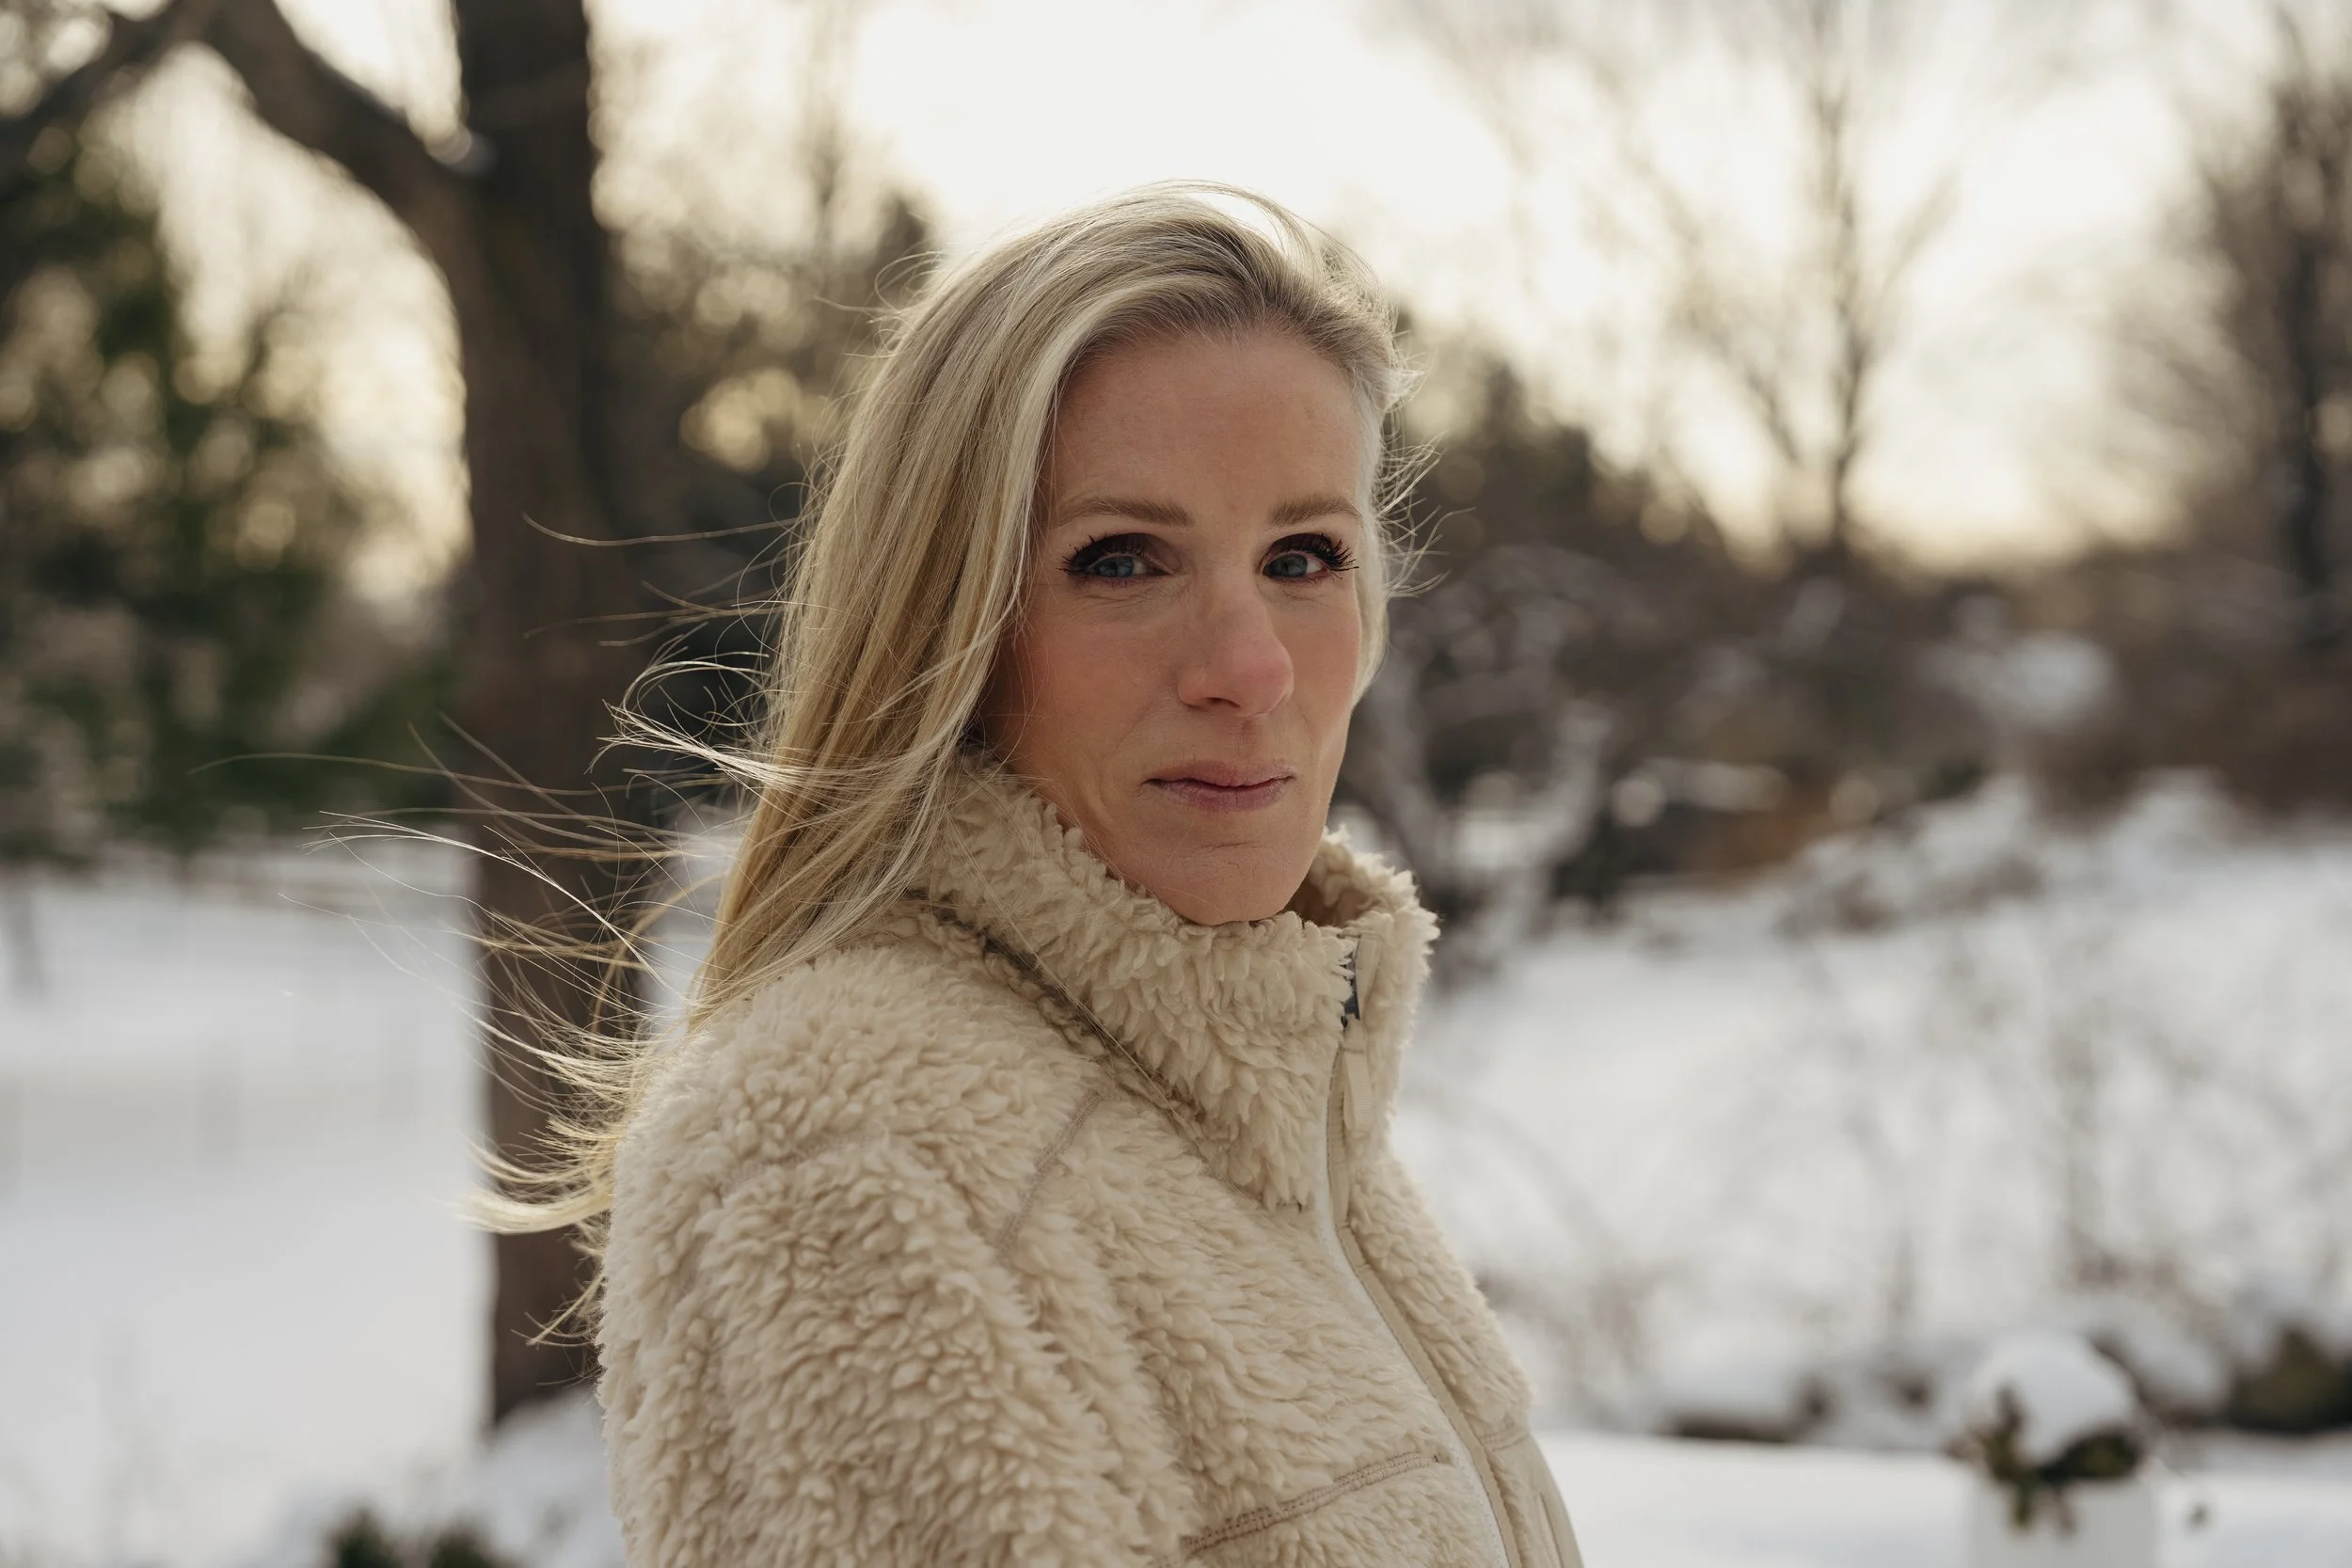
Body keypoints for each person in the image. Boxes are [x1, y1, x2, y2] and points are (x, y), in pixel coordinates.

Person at [575, 184, 1583, 1567]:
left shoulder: (1269, 1096)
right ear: (949, 620)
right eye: (1122, 560)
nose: (1250, 667)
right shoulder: (862, 1160)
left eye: (1302, 557)